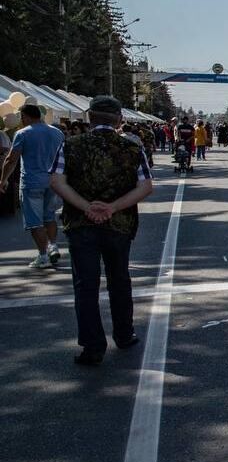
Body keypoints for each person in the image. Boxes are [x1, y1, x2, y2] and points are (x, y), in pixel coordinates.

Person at [48, 96, 153, 365]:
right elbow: (145, 187)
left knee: (85, 285)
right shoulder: (131, 148)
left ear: (90, 118)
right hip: (119, 225)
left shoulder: (70, 145)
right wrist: (113, 207)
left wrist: (86, 207)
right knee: (119, 279)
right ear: (119, 120)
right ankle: (124, 334)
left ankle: (92, 346)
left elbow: (57, 182)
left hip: (81, 225)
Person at [0, 104, 65, 268]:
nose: (21, 120)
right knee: (49, 216)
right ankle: (53, 246)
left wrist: (3, 179)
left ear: (26, 117)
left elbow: (11, 159)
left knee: (35, 222)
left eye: (22, 117)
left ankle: (43, 256)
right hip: (53, 181)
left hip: (32, 182)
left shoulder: (23, 133)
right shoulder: (57, 132)